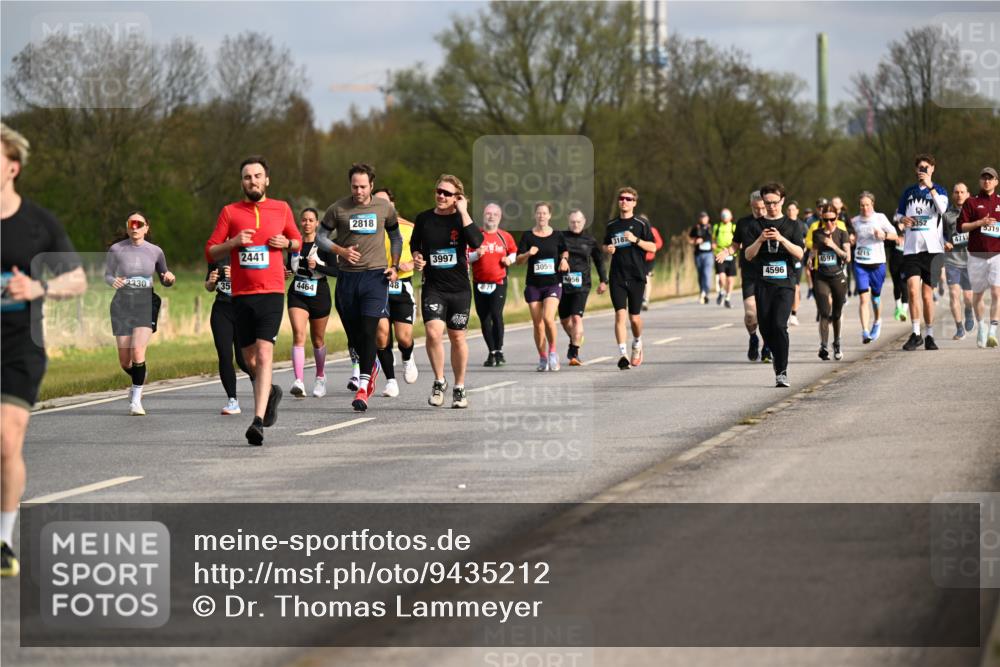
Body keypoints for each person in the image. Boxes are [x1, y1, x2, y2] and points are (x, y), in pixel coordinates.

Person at [1, 123, 86, 577]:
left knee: (6, 438)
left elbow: (78, 279)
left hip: (19, 347)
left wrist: (37, 286)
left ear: (12, 167)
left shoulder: (38, 224)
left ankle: (3, 538)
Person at [206, 155, 301, 446]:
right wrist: (234, 243)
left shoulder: (281, 209)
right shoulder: (230, 212)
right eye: (248, 177)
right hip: (241, 296)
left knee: (263, 354)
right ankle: (269, 390)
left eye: (257, 176)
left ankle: (257, 421)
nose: (253, 181)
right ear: (242, 182)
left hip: (271, 293)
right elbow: (211, 251)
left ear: (267, 179)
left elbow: (297, 240)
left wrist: (287, 244)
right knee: (247, 360)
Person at [316, 163, 401, 411]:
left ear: (371, 185)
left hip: (375, 277)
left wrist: (394, 266)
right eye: (355, 186)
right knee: (355, 338)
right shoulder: (338, 208)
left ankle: (363, 388)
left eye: (363, 186)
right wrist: (340, 250)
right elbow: (321, 238)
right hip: (347, 279)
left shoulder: (384, 207)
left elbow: (396, 237)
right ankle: (369, 365)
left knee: (368, 330)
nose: (359, 191)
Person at [411, 175, 483, 407]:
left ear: (457, 198)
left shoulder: (461, 220)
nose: (441, 196)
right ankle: (439, 381)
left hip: (459, 289)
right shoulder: (424, 219)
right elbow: (415, 245)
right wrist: (417, 257)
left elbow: (476, 241)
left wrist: (462, 212)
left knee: (457, 336)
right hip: (433, 286)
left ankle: (459, 387)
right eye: (439, 191)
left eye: (447, 193)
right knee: (433, 333)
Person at [106, 212, 176, 415]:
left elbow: (165, 277)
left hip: (145, 302)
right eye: (131, 224)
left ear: (146, 227)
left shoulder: (155, 251)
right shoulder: (116, 249)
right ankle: (139, 375)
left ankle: (136, 400)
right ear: (127, 227)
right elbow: (107, 275)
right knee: (125, 361)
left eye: (139, 224)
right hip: (122, 303)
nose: (135, 227)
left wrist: (169, 279)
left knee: (138, 351)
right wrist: (113, 281)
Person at [744, 182, 804, 387]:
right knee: (766, 327)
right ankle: (776, 358)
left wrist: (781, 239)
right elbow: (748, 255)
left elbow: (800, 253)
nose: (771, 207)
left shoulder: (792, 225)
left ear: (782, 201)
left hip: (785, 282)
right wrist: (760, 240)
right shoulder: (755, 225)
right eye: (767, 203)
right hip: (763, 283)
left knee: (780, 325)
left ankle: (782, 371)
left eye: (775, 202)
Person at [896, 153, 949, 351]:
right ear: (915, 170)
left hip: (933, 250)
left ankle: (930, 334)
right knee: (911, 289)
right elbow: (898, 214)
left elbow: (943, 210)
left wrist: (930, 187)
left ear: (932, 169)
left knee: (927, 296)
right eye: (920, 168)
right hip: (912, 249)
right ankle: (916, 333)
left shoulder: (940, 190)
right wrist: (902, 220)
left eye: (926, 168)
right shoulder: (908, 192)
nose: (922, 171)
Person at [604, 186, 657, 370]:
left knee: (634, 319)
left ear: (634, 202)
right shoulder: (611, 225)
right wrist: (608, 249)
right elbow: (605, 245)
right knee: (620, 314)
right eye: (621, 198)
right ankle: (623, 354)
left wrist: (635, 240)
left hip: (636, 275)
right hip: (617, 275)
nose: (624, 201)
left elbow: (653, 247)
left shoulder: (641, 224)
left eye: (628, 199)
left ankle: (637, 342)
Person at [372, 188, 418, 396]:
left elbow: (421, 254)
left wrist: (412, 263)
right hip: (377, 287)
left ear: (392, 204)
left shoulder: (409, 228)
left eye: (384, 202)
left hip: (402, 286)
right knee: (381, 336)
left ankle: (407, 358)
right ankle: (390, 380)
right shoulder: (370, 228)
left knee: (404, 337)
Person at [285, 207, 335, 399]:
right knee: (299, 334)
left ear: (317, 223)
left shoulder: (324, 245)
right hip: (297, 292)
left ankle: (320, 377)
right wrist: (286, 272)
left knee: (317, 340)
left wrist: (320, 266)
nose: (307, 223)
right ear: (300, 222)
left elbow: (337, 271)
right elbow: (289, 267)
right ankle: (298, 381)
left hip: (319, 292)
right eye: (304, 220)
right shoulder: (294, 245)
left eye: (311, 220)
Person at [517, 202, 569, 371]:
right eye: (539, 213)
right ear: (535, 215)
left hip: (553, 283)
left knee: (548, 318)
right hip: (534, 285)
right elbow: (518, 261)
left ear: (549, 215)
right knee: (538, 324)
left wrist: (564, 259)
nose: (541, 216)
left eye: (544, 213)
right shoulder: (527, 236)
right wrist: (527, 253)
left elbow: (564, 250)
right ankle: (542, 357)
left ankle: (553, 352)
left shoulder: (557, 235)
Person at [720, 191, 767, 362]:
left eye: (763, 207)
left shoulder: (772, 222)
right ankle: (753, 337)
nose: (760, 211)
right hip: (749, 273)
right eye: (756, 208)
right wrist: (727, 251)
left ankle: (767, 344)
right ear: (751, 206)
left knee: (767, 315)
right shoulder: (743, 223)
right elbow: (735, 245)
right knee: (750, 314)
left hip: (769, 274)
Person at [469, 202, 516, 368]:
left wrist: (508, 260)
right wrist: (476, 254)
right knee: (484, 318)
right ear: (484, 216)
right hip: (479, 282)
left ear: (500, 217)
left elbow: (514, 252)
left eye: (495, 214)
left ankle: (499, 349)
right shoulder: (476, 236)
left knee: (496, 315)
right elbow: (466, 257)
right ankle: (492, 352)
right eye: (488, 213)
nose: (491, 217)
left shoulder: (504, 236)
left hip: (498, 282)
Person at [205, 253, 253, 414]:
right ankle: (232, 400)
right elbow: (209, 287)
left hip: (242, 309)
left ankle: (264, 387)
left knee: (243, 359)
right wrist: (211, 282)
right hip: (221, 309)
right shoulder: (217, 255)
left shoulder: (247, 253)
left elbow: (257, 283)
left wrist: (236, 276)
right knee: (225, 355)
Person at [958, 166, 1000, 348]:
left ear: (996, 182)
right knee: (978, 294)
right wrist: (980, 223)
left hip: (997, 254)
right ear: (980, 181)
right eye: (984, 178)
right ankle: (981, 326)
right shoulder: (971, 203)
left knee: (997, 292)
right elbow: (962, 227)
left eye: (990, 178)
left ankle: (993, 330)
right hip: (976, 256)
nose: (987, 181)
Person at [560, 208, 607, 365]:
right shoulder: (561, 238)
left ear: (584, 222)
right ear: (568, 222)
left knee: (576, 317)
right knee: (565, 321)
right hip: (563, 284)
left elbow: (599, 261)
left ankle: (574, 353)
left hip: (582, 284)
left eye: (578, 222)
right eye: (573, 222)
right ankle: (576, 337)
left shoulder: (590, 240)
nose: (575, 224)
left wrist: (603, 281)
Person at [851, 191, 897, 344]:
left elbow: (895, 235)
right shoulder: (855, 221)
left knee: (875, 298)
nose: (865, 208)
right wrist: (851, 239)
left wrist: (883, 235)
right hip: (860, 264)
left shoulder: (880, 218)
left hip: (877, 264)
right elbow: (851, 238)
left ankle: (877, 321)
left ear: (872, 205)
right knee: (864, 298)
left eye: (867, 205)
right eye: (862, 205)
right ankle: (864, 331)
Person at [810, 205, 851, 360]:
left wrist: (833, 245)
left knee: (837, 313)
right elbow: (814, 250)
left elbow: (847, 257)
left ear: (837, 218)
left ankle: (837, 343)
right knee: (824, 312)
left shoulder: (842, 234)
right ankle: (824, 346)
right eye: (825, 219)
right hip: (821, 277)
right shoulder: (817, 233)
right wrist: (810, 257)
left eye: (832, 219)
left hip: (838, 277)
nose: (828, 223)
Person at [942, 183, 975, 340]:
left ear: (968, 194)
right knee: (954, 294)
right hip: (952, 261)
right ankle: (959, 328)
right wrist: (944, 242)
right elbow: (939, 235)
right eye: (956, 192)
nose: (959, 195)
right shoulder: (946, 215)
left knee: (968, 297)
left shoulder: (975, 213)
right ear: (953, 195)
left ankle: (969, 311)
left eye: (962, 192)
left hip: (971, 261)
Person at [786, 200, 808, 326]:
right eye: (788, 209)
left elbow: (807, 241)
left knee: (795, 286)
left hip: (797, 259)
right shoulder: (783, 223)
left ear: (797, 211)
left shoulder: (802, 225)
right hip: (784, 260)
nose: (791, 212)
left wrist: (801, 249)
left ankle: (794, 314)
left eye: (793, 209)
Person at [712, 208, 736, 308]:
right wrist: (713, 245)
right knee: (722, 278)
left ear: (731, 217)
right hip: (720, 254)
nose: (725, 217)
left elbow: (737, 241)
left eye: (726, 215)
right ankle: (721, 291)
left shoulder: (734, 227)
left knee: (730, 280)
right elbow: (713, 239)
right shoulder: (717, 227)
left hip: (731, 256)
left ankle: (727, 298)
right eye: (723, 215)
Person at [689, 211, 714, 304]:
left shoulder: (711, 228)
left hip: (708, 254)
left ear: (708, 218)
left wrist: (712, 243)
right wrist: (695, 241)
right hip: (698, 254)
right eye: (702, 217)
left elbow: (713, 238)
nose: (704, 219)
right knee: (700, 274)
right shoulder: (695, 228)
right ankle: (702, 291)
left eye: (705, 217)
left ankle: (706, 291)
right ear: (699, 219)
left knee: (707, 274)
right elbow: (690, 239)